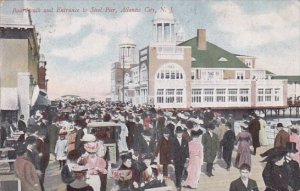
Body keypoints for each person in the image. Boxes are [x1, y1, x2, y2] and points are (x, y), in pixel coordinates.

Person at [172, 126, 189, 190]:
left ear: (182, 133)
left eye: (180, 133)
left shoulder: (185, 140)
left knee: (181, 170)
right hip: (176, 159)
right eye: (178, 133)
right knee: (177, 171)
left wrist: (187, 157)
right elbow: (172, 150)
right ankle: (178, 184)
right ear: (176, 133)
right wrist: (172, 158)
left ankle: (179, 180)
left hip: (183, 159)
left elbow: (187, 149)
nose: (179, 134)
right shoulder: (173, 140)